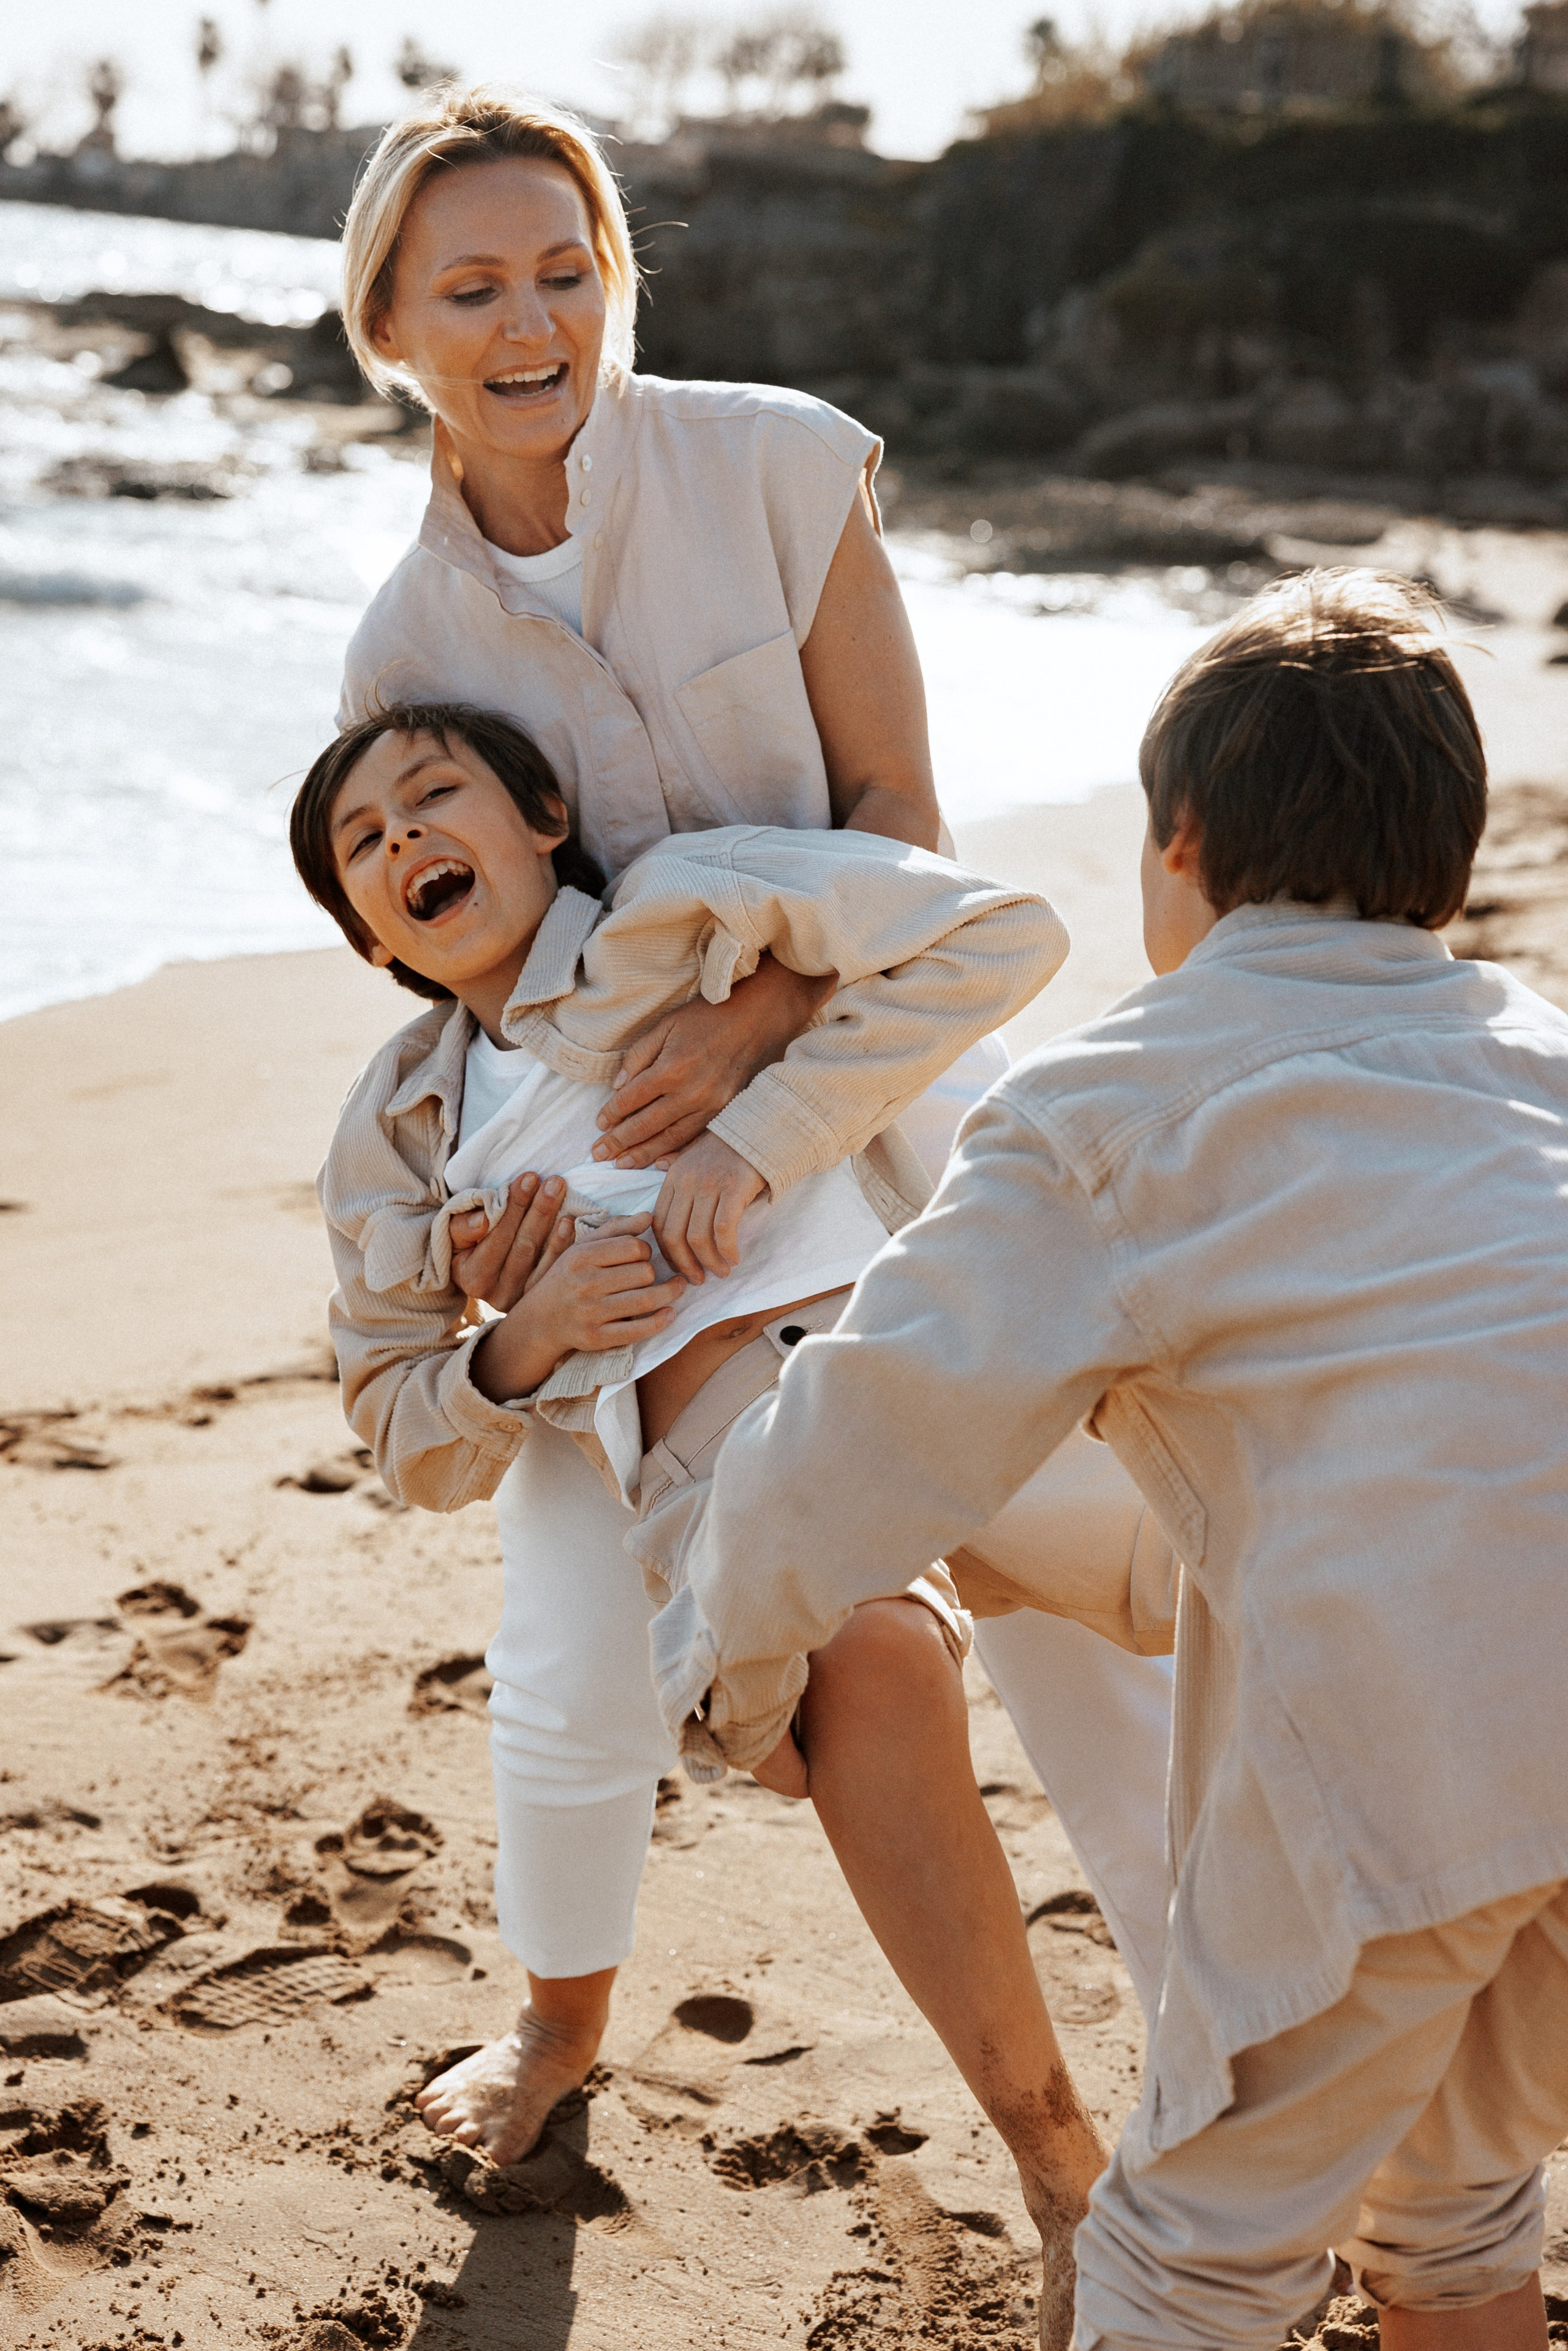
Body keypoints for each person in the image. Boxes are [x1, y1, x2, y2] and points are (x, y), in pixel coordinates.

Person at [330, 64, 1175, 2191]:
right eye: (473, 289)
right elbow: (464, 916)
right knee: (563, 1650)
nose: (532, 325)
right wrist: (506, 1271)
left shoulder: (782, 467)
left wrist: (766, 1028)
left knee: (1099, 1639)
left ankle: (1247, 2107)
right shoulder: (407, 641)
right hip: (626, 1176)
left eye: (564, 270)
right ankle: (554, 2032)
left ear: (611, 275)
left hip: (874, 1063)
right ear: (389, 330)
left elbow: (904, 822)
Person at [649, 570, 1568, 2351]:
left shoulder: (1104, 1111)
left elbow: (853, 1439)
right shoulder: (1544, 1060)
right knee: (1450, 2195)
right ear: (1449, 863)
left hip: (1422, 1762)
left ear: (1181, 845)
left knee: (1188, 2266)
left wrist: (731, 1671)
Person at [292, 700, 1141, 2344]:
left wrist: (758, 1110)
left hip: (946, 1353)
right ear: (364, 932)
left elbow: (996, 935)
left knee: (1243, 1576)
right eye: (363, 844)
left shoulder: (698, 910)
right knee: (867, 1673)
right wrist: (528, 1343)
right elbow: (404, 1436)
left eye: (431, 797)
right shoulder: (407, 1121)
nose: (402, 841)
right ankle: (1066, 2180)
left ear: (545, 813)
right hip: (742, 1460)